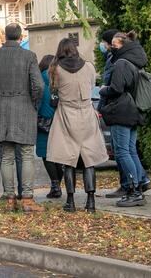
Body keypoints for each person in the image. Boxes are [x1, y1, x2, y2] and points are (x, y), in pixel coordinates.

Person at [0, 23, 44, 213]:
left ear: (4, 36)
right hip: (24, 109)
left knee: (6, 156)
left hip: (2, 110)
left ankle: (9, 199)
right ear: (20, 37)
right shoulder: (29, 56)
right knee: (26, 155)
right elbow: (39, 85)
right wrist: (33, 103)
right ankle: (27, 199)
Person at [47, 38, 108, 213]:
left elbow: (53, 94)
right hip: (87, 113)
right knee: (89, 160)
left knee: (68, 160)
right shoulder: (89, 66)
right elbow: (91, 86)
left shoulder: (56, 68)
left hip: (66, 114)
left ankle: (71, 201)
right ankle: (91, 202)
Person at [99, 31, 151, 207]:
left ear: (122, 45)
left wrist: (103, 89)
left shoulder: (121, 63)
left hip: (121, 111)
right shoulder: (135, 60)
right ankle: (140, 183)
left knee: (122, 151)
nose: (110, 47)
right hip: (133, 110)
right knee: (130, 150)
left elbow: (117, 88)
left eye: (113, 45)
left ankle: (133, 190)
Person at [97, 29, 128, 199]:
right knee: (125, 149)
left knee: (121, 149)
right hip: (125, 108)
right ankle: (135, 182)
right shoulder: (120, 58)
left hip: (116, 108)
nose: (102, 46)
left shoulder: (114, 59)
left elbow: (109, 85)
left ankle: (128, 184)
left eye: (104, 42)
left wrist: (101, 105)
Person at [36, 55, 62, 199]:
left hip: (43, 122)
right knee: (59, 154)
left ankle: (55, 185)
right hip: (59, 121)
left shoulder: (39, 79)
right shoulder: (59, 80)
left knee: (46, 155)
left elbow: (37, 102)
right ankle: (58, 184)